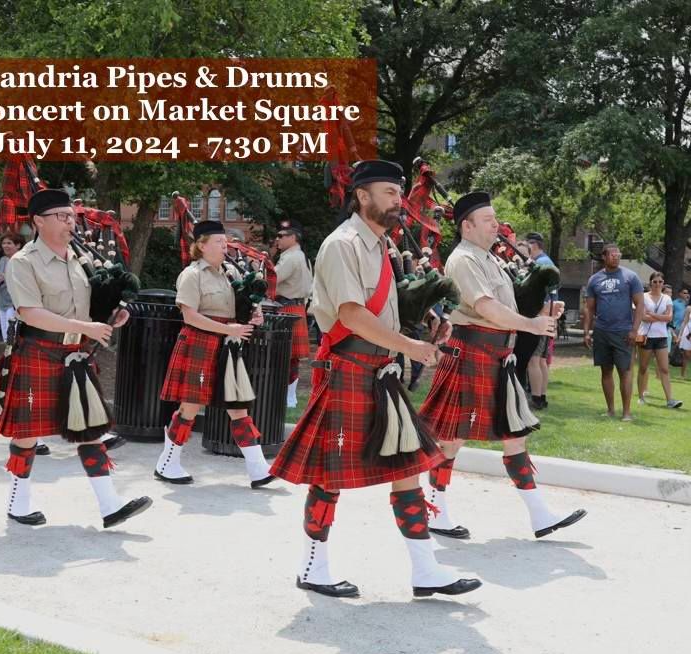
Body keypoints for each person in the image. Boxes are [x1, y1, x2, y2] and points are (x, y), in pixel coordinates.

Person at [270, 160, 482, 599]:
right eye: (388, 192)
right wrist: (410, 347)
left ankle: (426, 570)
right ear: (362, 195)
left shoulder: (380, 246)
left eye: (399, 193)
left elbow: (383, 306)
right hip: (348, 367)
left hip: (381, 373)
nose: (397, 201)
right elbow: (350, 314)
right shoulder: (342, 245)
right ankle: (314, 566)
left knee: (408, 469)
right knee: (330, 477)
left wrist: (424, 320)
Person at [0, 188, 151, 527]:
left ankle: (110, 506)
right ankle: (18, 502)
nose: (70, 222)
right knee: (26, 434)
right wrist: (82, 325)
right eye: (61, 216)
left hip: (76, 353)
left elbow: (91, 307)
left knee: (89, 429)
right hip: (38, 351)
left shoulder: (80, 259)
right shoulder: (23, 262)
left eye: (71, 216)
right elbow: (29, 313)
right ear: (39, 221)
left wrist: (112, 316)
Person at [419, 191, 586, 541]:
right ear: (467, 226)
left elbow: (506, 308)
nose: (497, 225)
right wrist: (532, 326)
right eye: (488, 220)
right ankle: (435, 509)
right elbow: (487, 308)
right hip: (471, 353)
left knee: (515, 434)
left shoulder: (489, 259)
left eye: (495, 219)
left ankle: (539, 514)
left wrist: (540, 315)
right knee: (451, 439)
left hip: (497, 358)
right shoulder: (464, 259)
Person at [154, 220, 274, 488]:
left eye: (225, 241)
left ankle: (257, 467)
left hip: (228, 344)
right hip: (200, 341)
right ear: (201, 245)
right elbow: (189, 315)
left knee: (237, 405)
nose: (225, 246)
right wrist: (226, 328)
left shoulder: (232, 272)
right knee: (190, 407)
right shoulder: (192, 274)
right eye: (219, 242)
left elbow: (240, 305)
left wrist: (254, 314)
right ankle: (168, 462)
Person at [583, 245, 644, 420]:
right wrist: (587, 332)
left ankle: (626, 412)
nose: (616, 257)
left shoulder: (630, 277)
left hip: (623, 332)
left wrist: (634, 329)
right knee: (606, 371)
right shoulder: (594, 279)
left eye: (618, 254)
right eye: (612, 255)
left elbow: (640, 304)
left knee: (625, 371)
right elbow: (589, 308)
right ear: (604, 257)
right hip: (602, 331)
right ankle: (610, 410)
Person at [274, 218, 314, 408]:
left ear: (294, 238)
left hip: (286, 307)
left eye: (282, 236)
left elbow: (273, 280)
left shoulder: (290, 258)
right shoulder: (302, 256)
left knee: (283, 356)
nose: (277, 239)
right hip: (297, 307)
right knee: (292, 358)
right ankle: (290, 397)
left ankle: (287, 397)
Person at [636, 272, 682, 408]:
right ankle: (640, 397)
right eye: (655, 281)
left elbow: (669, 318)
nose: (657, 284)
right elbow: (643, 317)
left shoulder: (666, 298)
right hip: (646, 336)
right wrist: (660, 317)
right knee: (643, 368)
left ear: (663, 283)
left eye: (660, 282)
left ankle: (670, 400)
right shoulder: (643, 297)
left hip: (661, 336)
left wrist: (653, 315)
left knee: (664, 369)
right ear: (650, 283)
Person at [524, 232, 557, 409]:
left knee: (534, 360)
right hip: (549, 315)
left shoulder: (539, 264)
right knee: (542, 360)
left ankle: (536, 398)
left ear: (533, 245)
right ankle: (541, 396)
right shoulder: (548, 262)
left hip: (539, 316)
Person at [0, 233, 25, 342]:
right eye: (4, 243)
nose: (5, 246)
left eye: (9, 243)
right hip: (2, 302)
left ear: (18, 245)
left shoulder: (23, 260)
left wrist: (8, 277)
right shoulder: (2, 260)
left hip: (15, 303)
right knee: (6, 337)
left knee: (13, 336)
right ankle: (9, 357)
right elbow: (1, 280)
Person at [678, 303, 691, 379]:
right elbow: (684, 322)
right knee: (686, 354)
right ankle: (682, 374)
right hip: (687, 333)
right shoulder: (689, 308)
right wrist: (680, 335)